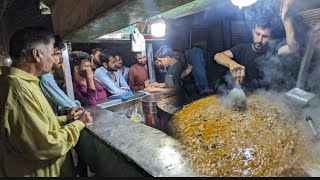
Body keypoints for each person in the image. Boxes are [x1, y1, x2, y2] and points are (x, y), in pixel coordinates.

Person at [0, 26, 93, 177]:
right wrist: (78, 124)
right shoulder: (17, 89)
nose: (54, 59)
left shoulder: (27, 83)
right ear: (36, 54)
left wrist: (65, 118)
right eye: (51, 53)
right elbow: (46, 145)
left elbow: (37, 124)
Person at [213, 0, 299, 92]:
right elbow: (217, 56)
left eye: (265, 36)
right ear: (252, 32)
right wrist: (232, 64)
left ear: (270, 38)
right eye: (257, 34)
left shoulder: (273, 50)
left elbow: (292, 47)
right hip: (245, 96)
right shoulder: (241, 49)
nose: (259, 40)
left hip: (267, 97)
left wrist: (285, 18)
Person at [39, 35, 81, 115]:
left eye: (61, 54)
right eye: (57, 54)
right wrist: (76, 104)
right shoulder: (45, 79)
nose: (61, 58)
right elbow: (71, 106)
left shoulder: (49, 77)